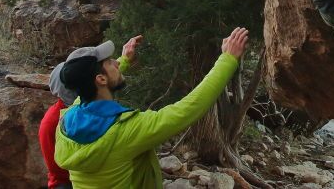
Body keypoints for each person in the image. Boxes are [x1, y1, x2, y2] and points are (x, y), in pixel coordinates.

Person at [54, 27, 249, 188]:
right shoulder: (126, 131)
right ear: (101, 79)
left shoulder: (67, 120)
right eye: (109, 62)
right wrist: (227, 59)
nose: (115, 62)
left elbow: (93, 88)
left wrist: (124, 60)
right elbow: (188, 109)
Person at [39, 36, 142, 189]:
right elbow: (57, 172)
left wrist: (124, 59)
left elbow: (102, 77)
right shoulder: (52, 122)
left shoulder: (84, 106)